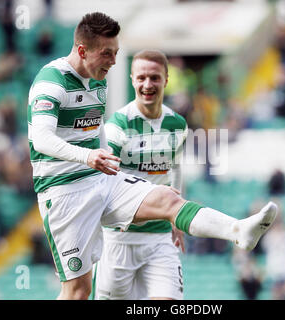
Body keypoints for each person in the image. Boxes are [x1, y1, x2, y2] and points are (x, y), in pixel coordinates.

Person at [28, 12, 278, 300]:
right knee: (78, 292)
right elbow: (41, 138)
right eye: (106, 54)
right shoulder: (52, 80)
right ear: (82, 51)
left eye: (116, 53)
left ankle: (238, 229)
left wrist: (107, 162)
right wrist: (87, 157)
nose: (112, 61)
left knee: (167, 198)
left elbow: (94, 132)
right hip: (64, 193)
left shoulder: (98, 81)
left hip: (99, 180)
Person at [91, 50, 187, 300]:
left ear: (166, 79)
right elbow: (102, 178)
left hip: (159, 237)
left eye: (154, 78)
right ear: (132, 78)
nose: (148, 84)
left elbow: (175, 169)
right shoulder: (117, 126)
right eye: (141, 77)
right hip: (119, 238)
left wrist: (176, 214)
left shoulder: (178, 124)